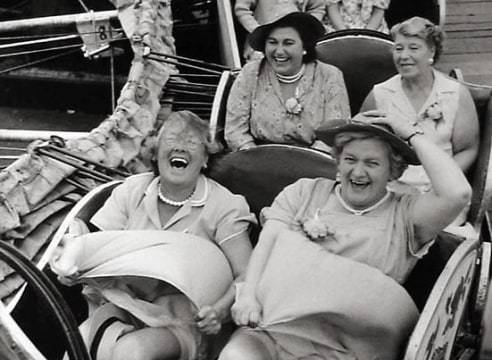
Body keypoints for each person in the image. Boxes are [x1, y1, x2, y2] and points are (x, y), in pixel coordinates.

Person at [219, 115, 471, 360]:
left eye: (372, 163)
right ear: (337, 161)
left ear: (392, 172)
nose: (358, 172)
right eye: (350, 159)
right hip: (273, 329)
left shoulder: (407, 215)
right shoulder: (304, 192)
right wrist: (249, 295)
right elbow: (268, 243)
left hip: (348, 348)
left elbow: (457, 194)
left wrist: (411, 133)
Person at [51, 110, 256, 360]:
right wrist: (75, 270)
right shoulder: (132, 191)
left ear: (204, 158)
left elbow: (247, 273)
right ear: (156, 153)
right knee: (78, 344)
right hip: (125, 309)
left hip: (186, 323)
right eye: (171, 140)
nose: (180, 147)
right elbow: (99, 252)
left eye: (191, 142)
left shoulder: (225, 205)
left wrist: (220, 312)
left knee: (132, 351)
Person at [360, 16, 479, 196]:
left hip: (441, 192)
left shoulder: (455, 93)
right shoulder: (379, 94)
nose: (404, 56)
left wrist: (442, 181)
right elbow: (363, 145)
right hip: (389, 192)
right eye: (398, 49)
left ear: (431, 51)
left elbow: (467, 149)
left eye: (413, 48)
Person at [225, 9, 350, 152]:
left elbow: (335, 133)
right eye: (272, 42)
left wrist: (307, 162)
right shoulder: (251, 73)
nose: (279, 51)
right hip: (256, 160)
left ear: (304, 47)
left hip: (314, 163)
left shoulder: (330, 76)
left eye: (288, 43)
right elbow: (234, 130)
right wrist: (255, 158)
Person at [234, 1, 325, 61]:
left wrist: (306, 29)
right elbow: (242, 10)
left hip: (297, 40)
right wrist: (258, 30)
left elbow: (317, 8)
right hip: (262, 43)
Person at [323, 0, 390, 34]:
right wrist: (343, 33)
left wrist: (367, 35)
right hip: (337, 27)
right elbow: (332, 7)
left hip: (373, 28)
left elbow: (378, 11)